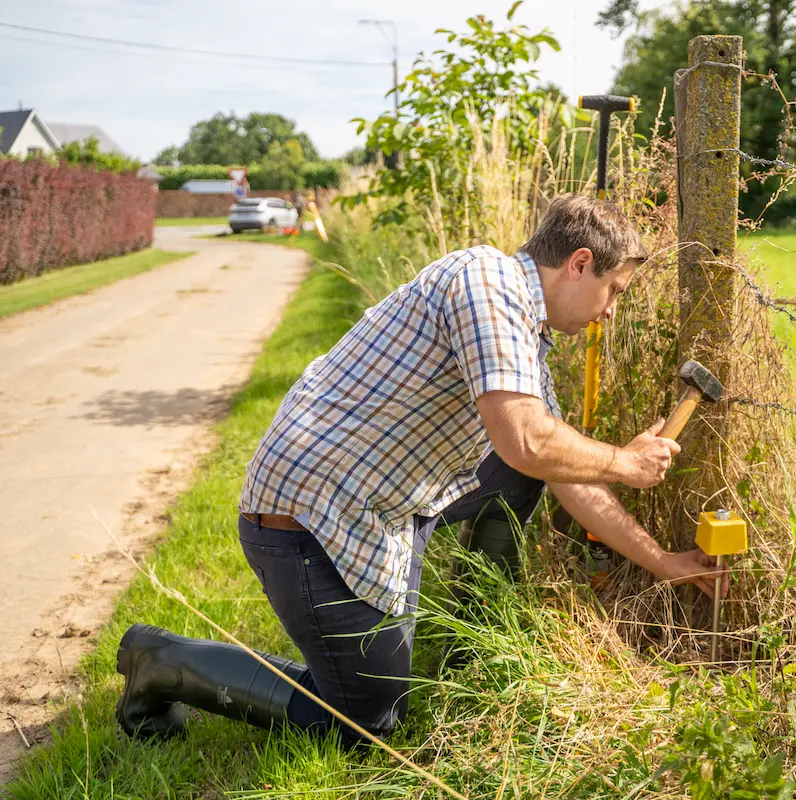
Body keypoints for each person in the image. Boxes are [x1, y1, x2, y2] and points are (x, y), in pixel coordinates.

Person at [114, 194, 721, 742]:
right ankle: (164, 661)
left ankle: (472, 651)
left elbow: (557, 467)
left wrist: (661, 560)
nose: (611, 311)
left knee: (528, 471)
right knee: (367, 722)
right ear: (580, 263)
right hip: (308, 521)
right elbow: (528, 442)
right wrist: (623, 461)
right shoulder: (487, 285)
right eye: (614, 290)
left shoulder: (523, 334)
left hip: (381, 503)